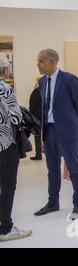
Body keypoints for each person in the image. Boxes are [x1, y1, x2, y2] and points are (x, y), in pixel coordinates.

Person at [33, 49, 78, 220]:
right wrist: (42, 132)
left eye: (41, 61)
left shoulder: (69, 79)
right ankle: (53, 202)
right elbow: (44, 109)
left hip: (67, 131)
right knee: (52, 169)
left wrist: (77, 129)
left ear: (52, 62)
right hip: (49, 130)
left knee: (73, 168)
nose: (38, 64)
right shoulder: (42, 82)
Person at [0, 56, 32, 241]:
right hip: (6, 144)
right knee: (8, 185)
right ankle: (6, 227)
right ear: (4, 71)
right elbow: (15, 118)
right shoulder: (5, 89)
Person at [29, 76, 42, 160]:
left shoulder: (36, 92)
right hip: (47, 117)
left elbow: (32, 105)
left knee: (37, 135)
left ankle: (38, 154)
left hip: (37, 117)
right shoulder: (48, 92)